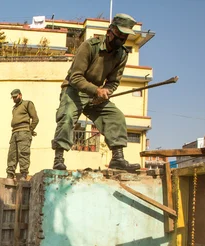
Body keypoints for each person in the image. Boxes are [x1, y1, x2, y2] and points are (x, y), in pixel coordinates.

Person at [52, 13, 140, 172]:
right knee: (66, 117)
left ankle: (117, 158)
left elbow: (114, 81)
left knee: (115, 116)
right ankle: (59, 158)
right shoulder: (89, 46)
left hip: (96, 94)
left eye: (125, 36)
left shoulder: (122, 55)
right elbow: (75, 77)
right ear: (110, 32)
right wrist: (96, 90)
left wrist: (106, 91)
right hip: (74, 89)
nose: (122, 38)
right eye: (120, 34)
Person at [7, 89, 39, 180]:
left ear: (20, 95)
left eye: (15, 96)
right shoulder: (14, 108)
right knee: (12, 155)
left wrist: (30, 130)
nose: (14, 99)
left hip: (24, 132)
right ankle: (10, 174)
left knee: (23, 154)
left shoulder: (27, 104)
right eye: (12, 97)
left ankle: (23, 175)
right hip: (14, 132)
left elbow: (35, 119)